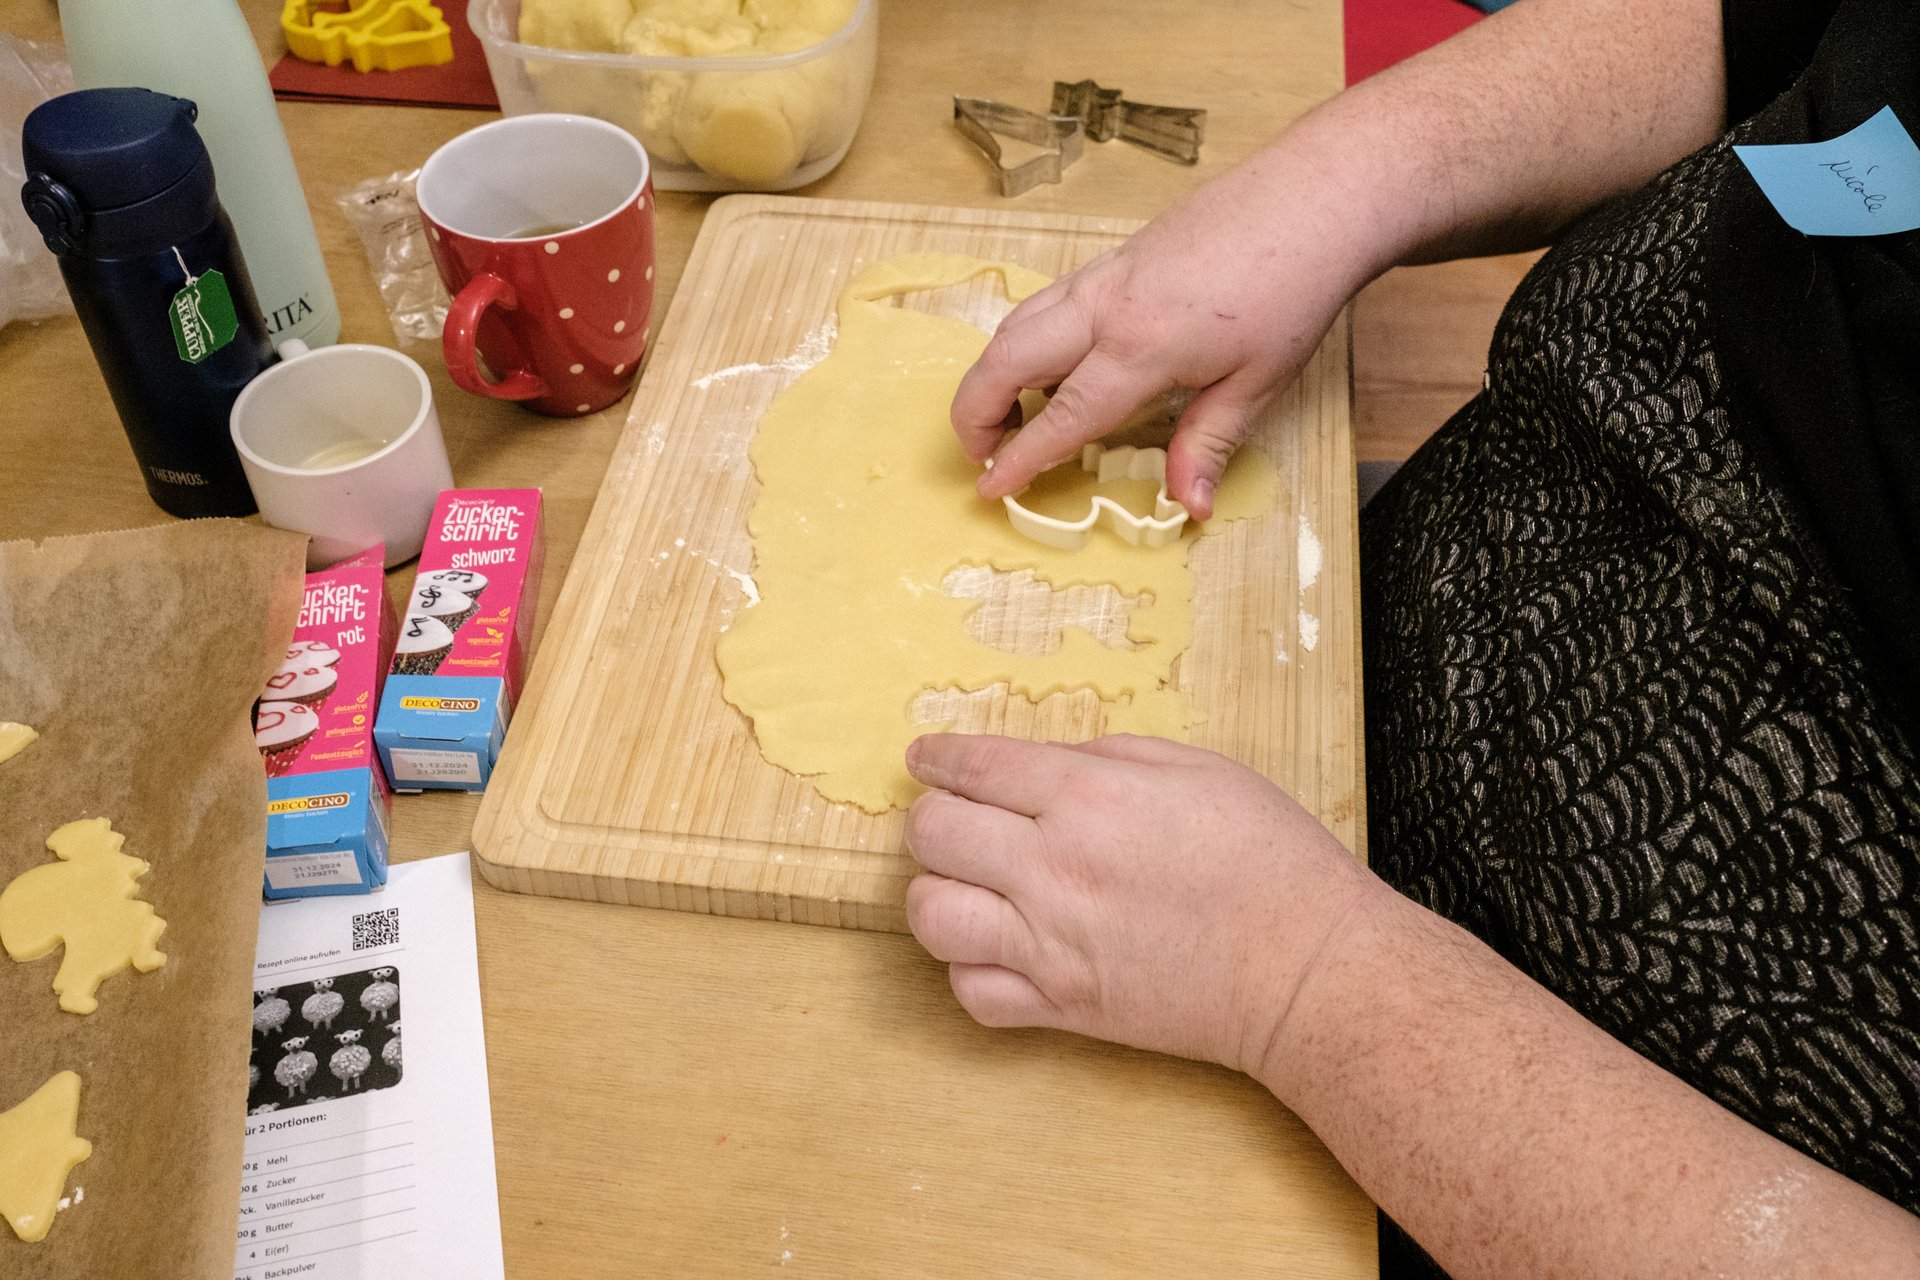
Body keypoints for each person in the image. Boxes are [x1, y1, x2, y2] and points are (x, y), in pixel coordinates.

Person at [899, 0, 1920, 1273]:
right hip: (1346, 661)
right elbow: (1782, 20)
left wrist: (1306, 982)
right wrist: (1331, 188)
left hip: (1486, 1147)